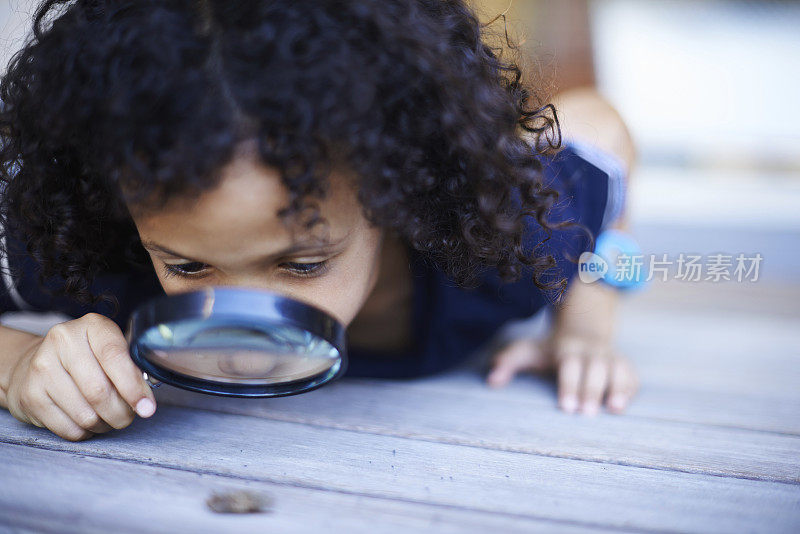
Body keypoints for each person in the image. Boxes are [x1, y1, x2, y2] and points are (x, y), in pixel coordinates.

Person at [0, 0, 638, 442]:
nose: (245, 318)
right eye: (187, 265)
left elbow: (603, 125)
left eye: (302, 263)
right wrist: (19, 366)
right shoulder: (92, 256)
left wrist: (585, 319)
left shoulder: (510, 238)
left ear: (394, 187)